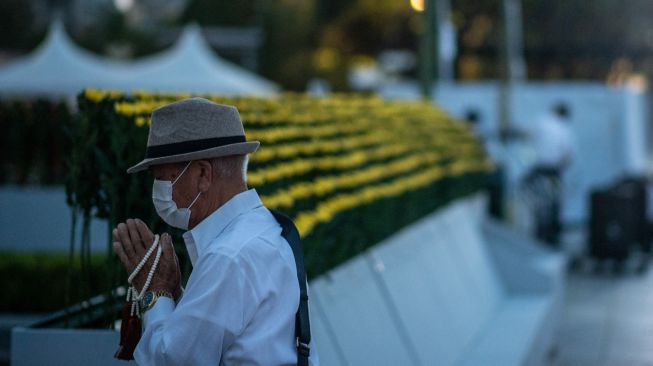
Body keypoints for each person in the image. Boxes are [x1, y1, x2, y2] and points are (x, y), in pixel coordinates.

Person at [111, 97, 317, 365]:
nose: (159, 191)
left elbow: (173, 360)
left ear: (203, 175)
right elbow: (224, 331)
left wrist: (154, 291)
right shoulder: (267, 229)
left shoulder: (228, 256)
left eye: (164, 178)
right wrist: (177, 293)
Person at [522, 102, 575, 246]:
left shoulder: (541, 121)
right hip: (554, 171)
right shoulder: (564, 128)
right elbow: (568, 155)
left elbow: (528, 137)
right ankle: (552, 235)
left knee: (539, 201)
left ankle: (539, 233)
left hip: (538, 169)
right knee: (554, 202)